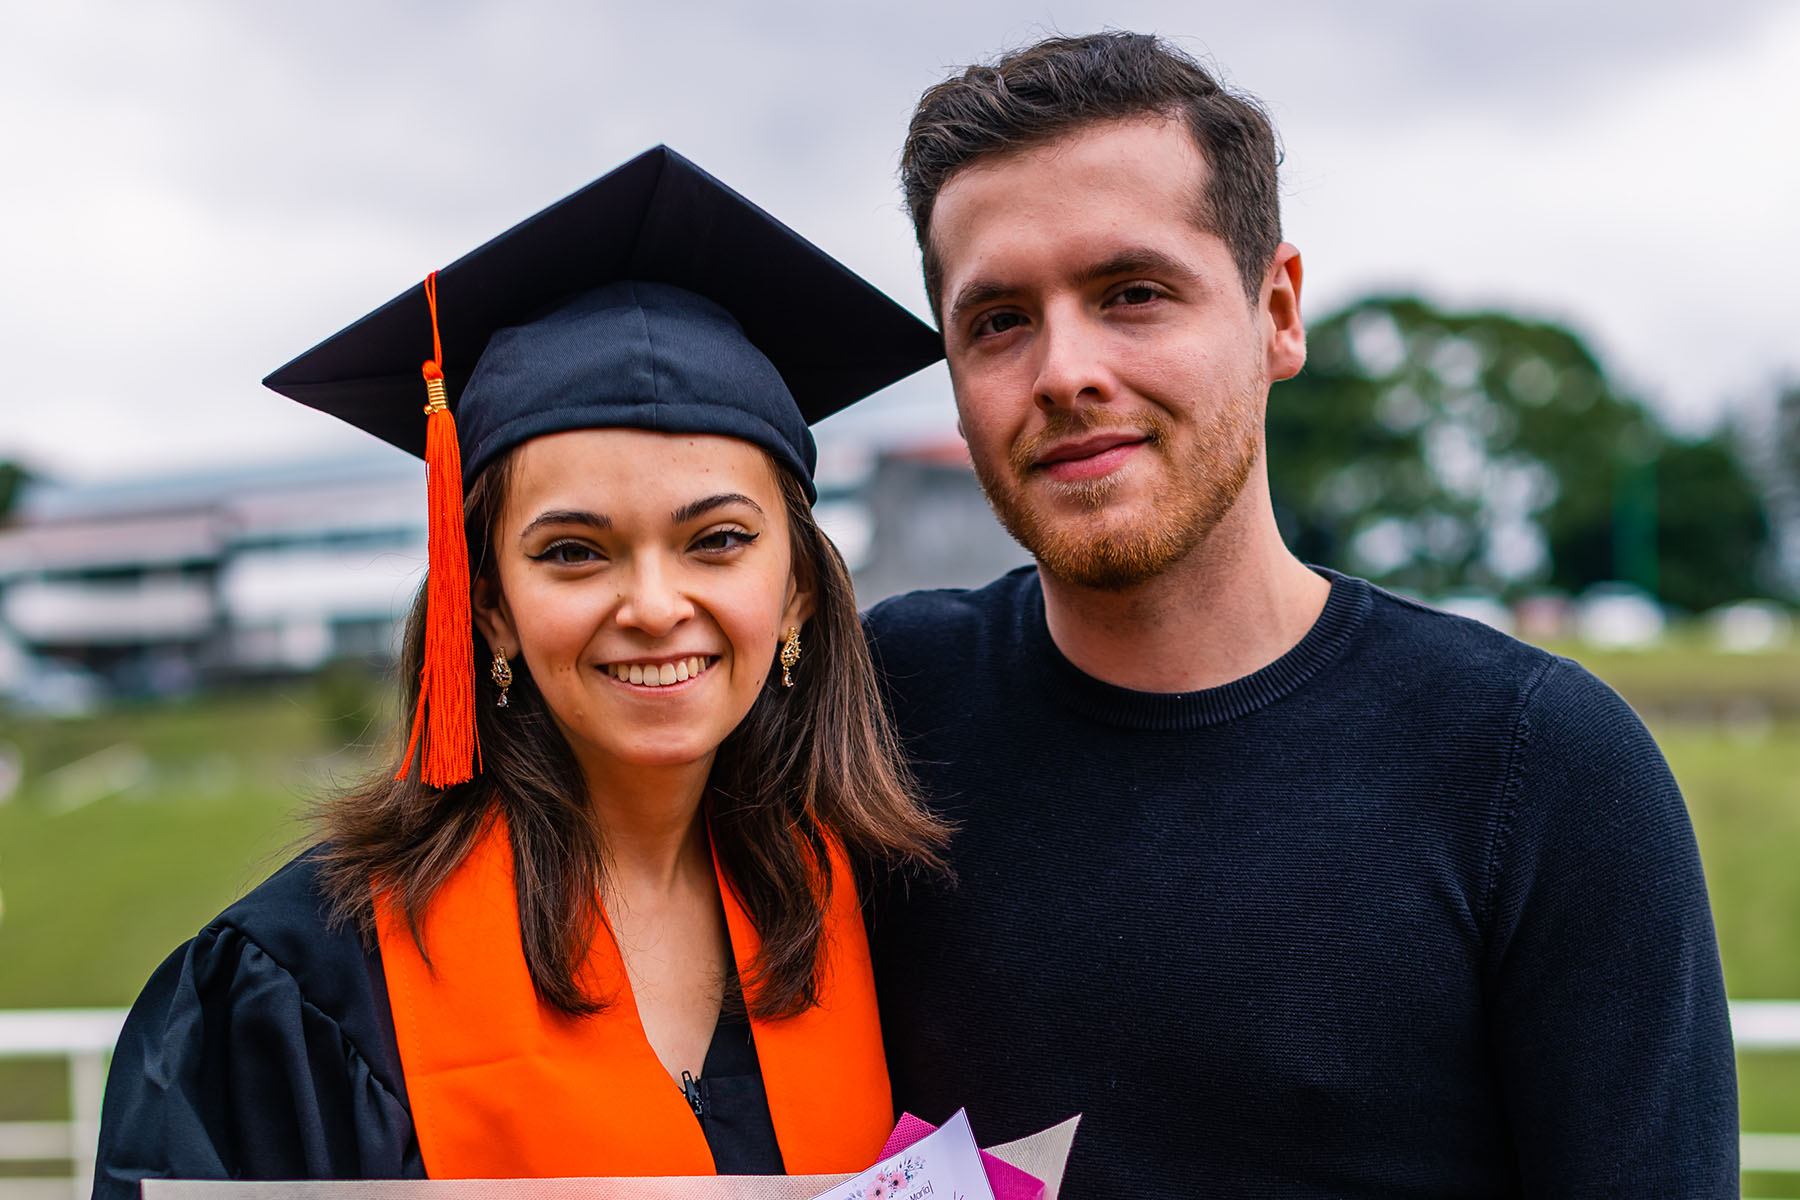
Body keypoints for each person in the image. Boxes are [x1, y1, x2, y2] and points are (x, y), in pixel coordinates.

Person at [863, 32, 1738, 1197]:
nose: (1065, 370)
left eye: (1133, 294)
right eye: (999, 321)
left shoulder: (1536, 767)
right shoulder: (878, 713)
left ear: (1277, 311)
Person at [93, 146, 948, 1195]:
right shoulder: (300, 991)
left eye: (717, 539)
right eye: (573, 552)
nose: (652, 605)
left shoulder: (866, 913)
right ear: (487, 607)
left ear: (801, 592)